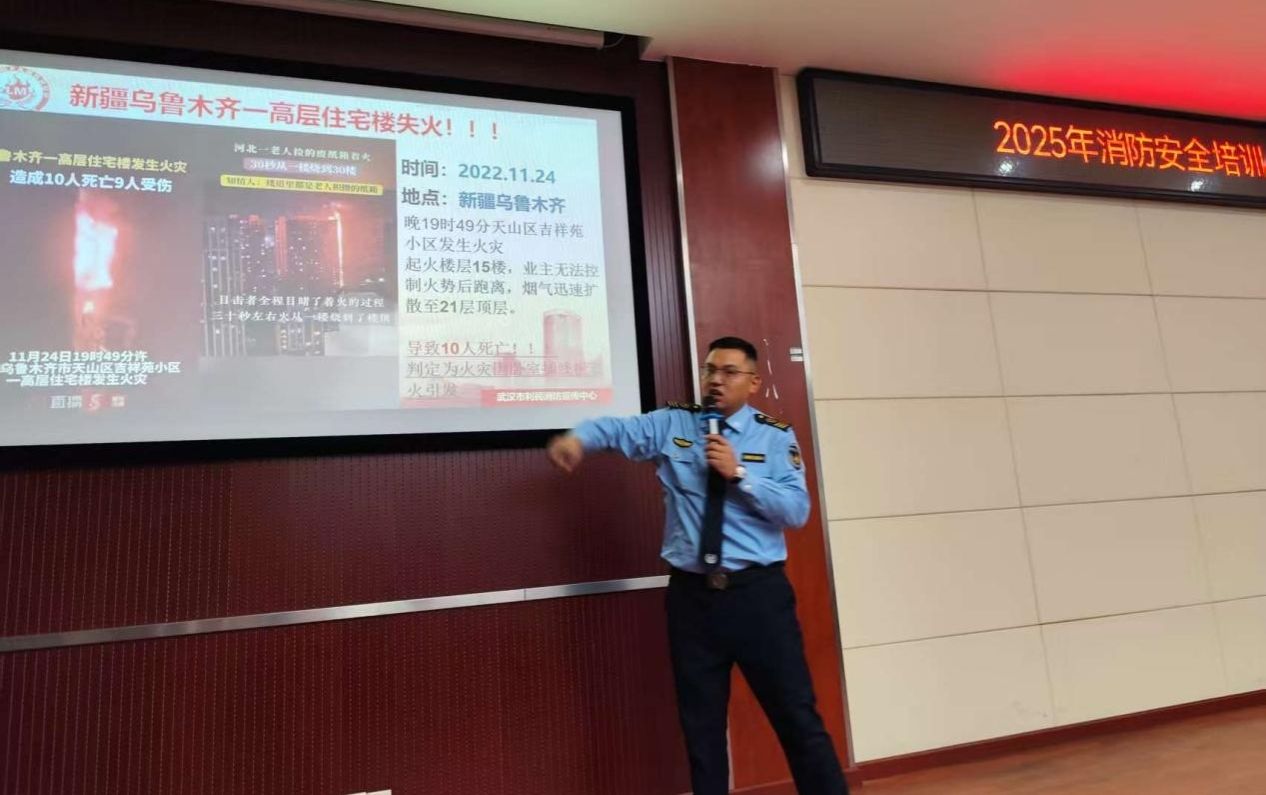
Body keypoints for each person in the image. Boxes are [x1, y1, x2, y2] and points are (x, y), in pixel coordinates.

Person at [546, 336, 847, 795]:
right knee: (701, 728)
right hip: (692, 599)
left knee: (796, 716)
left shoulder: (774, 435)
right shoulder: (673, 424)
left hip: (758, 598)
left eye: (729, 372)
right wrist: (578, 438)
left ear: (753, 382)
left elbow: (796, 511)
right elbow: (616, 429)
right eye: (709, 370)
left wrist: (740, 474)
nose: (715, 380)